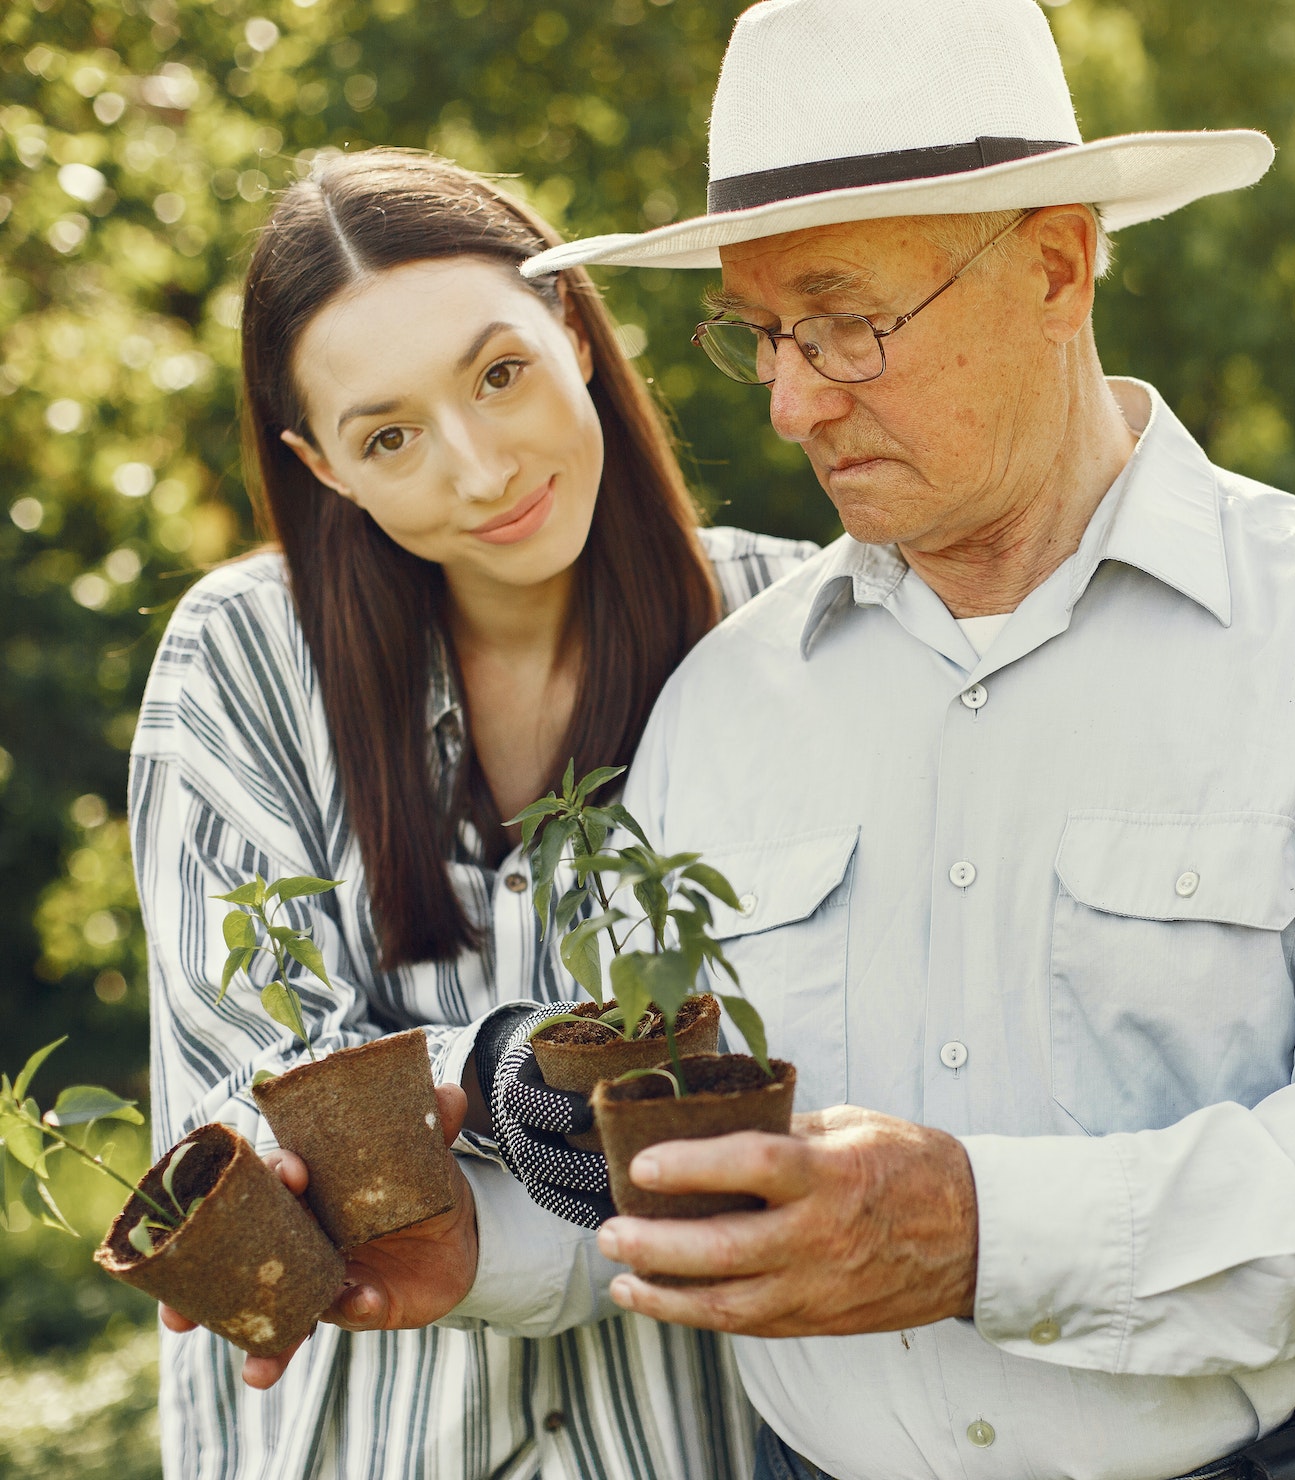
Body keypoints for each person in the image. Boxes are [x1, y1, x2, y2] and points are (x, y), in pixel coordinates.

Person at [469, 3, 1295, 1478]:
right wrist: (459, 1247)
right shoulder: (722, 706)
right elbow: (676, 1186)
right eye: (761, 335)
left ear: (1056, 265)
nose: (791, 402)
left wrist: (981, 1231)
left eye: (845, 322)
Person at [130, 148, 812, 1480]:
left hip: (707, 1440)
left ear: (573, 330)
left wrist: (441, 1097)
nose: (482, 469)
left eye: (499, 373)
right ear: (322, 467)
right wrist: (497, 1071)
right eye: (388, 436)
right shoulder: (244, 659)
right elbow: (251, 1097)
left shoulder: (796, 632)